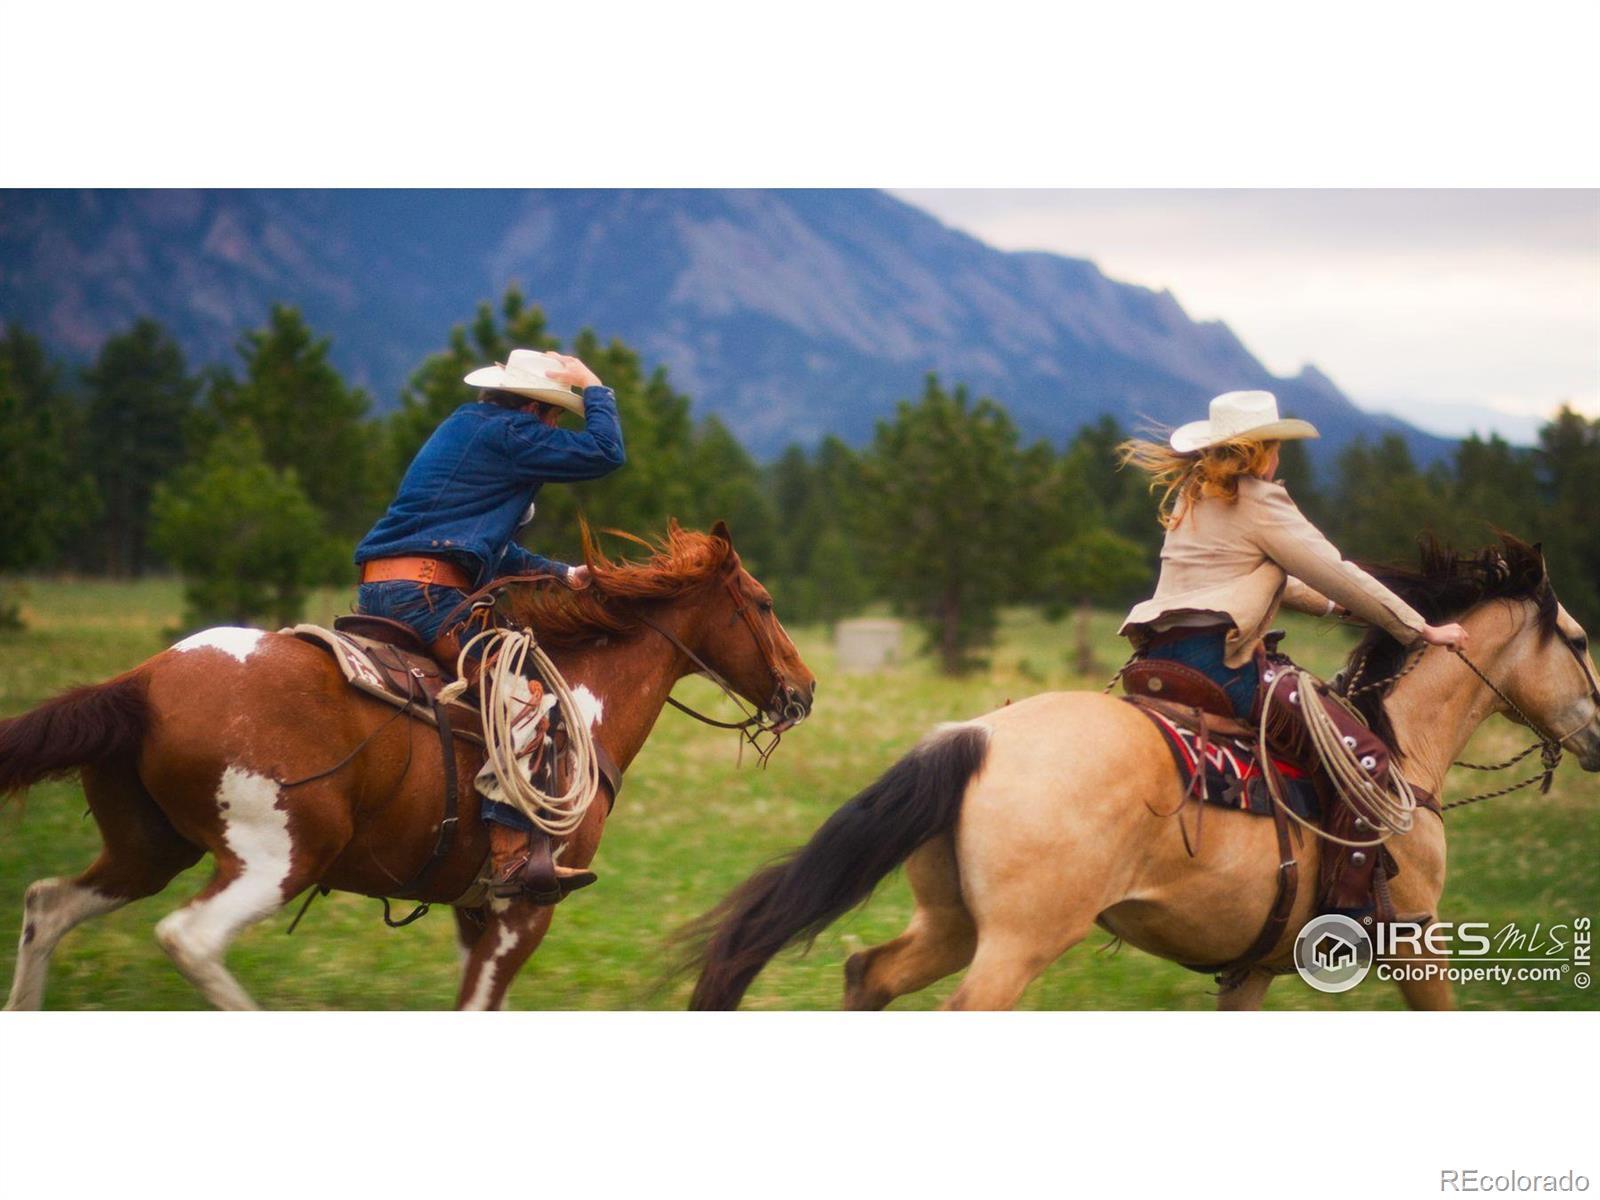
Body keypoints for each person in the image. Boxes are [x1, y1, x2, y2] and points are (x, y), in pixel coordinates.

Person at [1116, 391, 1468, 912]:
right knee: (1367, 758)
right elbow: (1334, 570)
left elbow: (1270, 577)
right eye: (1275, 446)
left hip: (1158, 658)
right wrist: (1420, 629)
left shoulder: (1193, 498)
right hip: (1218, 665)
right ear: (1260, 451)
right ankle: (1346, 909)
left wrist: (1334, 607)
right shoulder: (1260, 502)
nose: (1279, 456)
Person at [353, 348, 626, 902]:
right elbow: (606, 451)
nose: (554, 428)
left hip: (385, 587)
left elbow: (485, 547)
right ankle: (511, 856)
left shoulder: (468, 427)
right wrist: (594, 386)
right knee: (526, 698)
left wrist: (563, 574)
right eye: (554, 415)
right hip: (427, 596)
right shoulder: (511, 433)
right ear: (533, 408)